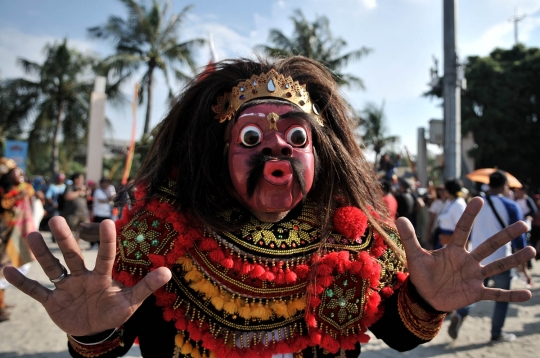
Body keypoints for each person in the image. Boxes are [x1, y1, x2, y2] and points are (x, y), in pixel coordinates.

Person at [3, 57, 536, 357]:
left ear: (319, 155)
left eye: (295, 137)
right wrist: (90, 332)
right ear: (220, 152)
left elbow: (397, 333)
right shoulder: (162, 236)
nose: (276, 150)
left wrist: (427, 300)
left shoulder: (357, 237)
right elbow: (106, 344)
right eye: (252, 136)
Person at [447, 170, 530, 342]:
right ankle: (496, 332)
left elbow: (466, 232)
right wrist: (523, 265)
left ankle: (461, 313)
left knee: (474, 292)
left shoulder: (477, 204)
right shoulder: (511, 206)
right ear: (505, 185)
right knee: (502, 297)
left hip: (477, 259)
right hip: (502, 261)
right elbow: (518, 239)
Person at [0, 158, 36, 322]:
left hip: (13, 235)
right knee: (3, 269)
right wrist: (17, 197)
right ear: (7, 175)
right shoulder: (3, 191)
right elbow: (5, 205)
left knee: (12, 266)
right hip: (4, 235)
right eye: (16, 171)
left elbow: (30, 191)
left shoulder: (22, 188)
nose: (21, 173)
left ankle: (1, 302)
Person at [434, 179, 467, 249]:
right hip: (443, 242)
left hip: (451, 244)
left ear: (449, 190)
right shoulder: (450, 202)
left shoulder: (459, 204)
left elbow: (461, 228)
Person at [62, 173, 90, 243]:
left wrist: (87, 193)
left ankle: (76, 244)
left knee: (84, 230)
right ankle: (69, 245)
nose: (82, 180)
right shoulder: (70, 187)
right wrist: (79, 191)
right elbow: (68, 197)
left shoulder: (83, 187)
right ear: (75, 179)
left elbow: (88, 199)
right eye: (81, 179)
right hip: (73, 213)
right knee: (70, 230)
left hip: (83, 213)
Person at [89, 178, 116, 250]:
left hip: (107, 214)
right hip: (98, 214)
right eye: (104, 183)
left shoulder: (108, 190)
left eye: (107, 183)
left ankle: (101, 244)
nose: (106, 184)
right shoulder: (98, 191)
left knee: (105, 231)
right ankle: (94, 244)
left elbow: (113, 198)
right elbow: (102, 200)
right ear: (101, 184)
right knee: (97, 230)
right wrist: (110, 198)